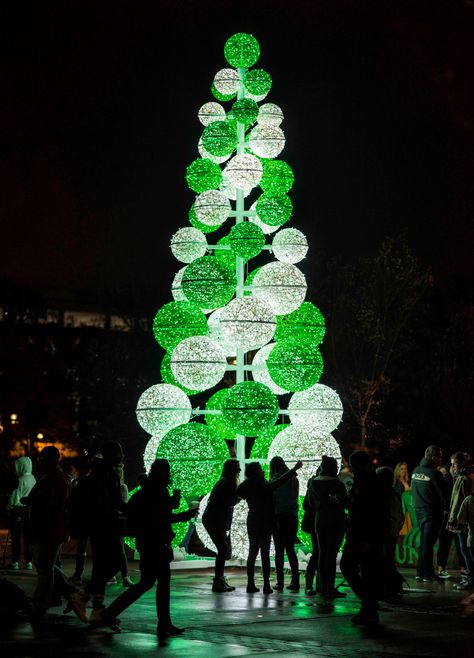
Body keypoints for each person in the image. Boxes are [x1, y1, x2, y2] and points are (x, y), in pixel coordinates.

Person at [100, 459, 199, 645]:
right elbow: (163, 518)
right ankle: (161, 623)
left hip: (146, 542)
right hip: (156, 543)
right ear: (165, 473)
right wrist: (186, 516)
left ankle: (113, 614)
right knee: (156, 584)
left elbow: (153, 513)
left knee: (148, 583)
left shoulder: (146, 490)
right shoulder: (158, 491)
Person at [23, 446, 85, 620]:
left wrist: (33, 502)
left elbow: (56, 506)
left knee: (45, 570)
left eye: (42, 458)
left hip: (50, 529)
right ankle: (74, 593)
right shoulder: (51, 477)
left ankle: (40, 605)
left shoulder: (57, 479)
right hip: (46, 529)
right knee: (46, 566)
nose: (39, 461)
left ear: (51, 459)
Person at [70, 441, 126, 623]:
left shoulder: (103, 472)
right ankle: (82, 596)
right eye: (118, 453)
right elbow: (103, 504)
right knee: (115, 562)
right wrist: (117, 513)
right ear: (109, 454)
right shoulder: (105, 474)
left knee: (101, 567)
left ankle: (97, 609)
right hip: (104, 526)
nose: (121, 456)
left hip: (100, 526)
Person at [236, 459, 302, 594]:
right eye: (260, 469)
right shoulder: (264, 485)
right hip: (266, 521)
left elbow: (238, 492)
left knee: (252, 552)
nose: (263, 470)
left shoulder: (248, 486)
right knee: (265, 553)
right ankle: (266, 585)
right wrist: (293, 469)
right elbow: (279, 483)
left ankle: (251, 583)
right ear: (257, 472)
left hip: (253, 520)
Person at [340, 450, 390, 626]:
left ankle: (368, 604)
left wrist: (367, 539)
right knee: (362, 571)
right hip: (360, 534)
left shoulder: (369, 483)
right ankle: (368, 606)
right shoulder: (365, 481)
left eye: (353, 466)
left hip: (363, 536)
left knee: (354, 567)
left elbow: (372, 512)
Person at [307, 455, 349, 598]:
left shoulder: (314, 483)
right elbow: (346, 503)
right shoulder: (338, 484)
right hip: (336, 520)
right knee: (331, 554)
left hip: (320, 520)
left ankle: (323, 586)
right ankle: (330, 586)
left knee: (322, 553)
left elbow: (311, 504)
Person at [202, 459, 240, 593]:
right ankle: (218, 580)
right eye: (237, 468)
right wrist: (239, 497)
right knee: (223, 549)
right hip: (214, 520)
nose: (239, 471)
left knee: (223, 549)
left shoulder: (224, 482)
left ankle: (220, 579)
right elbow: (229, 502)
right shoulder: (226, 483)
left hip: (215, 520)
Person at [411, 445, 447, 582]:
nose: (441, 459)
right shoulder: (435, 474)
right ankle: (428, 574)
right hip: (432, 512)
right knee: (428, 543)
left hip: (418, 510)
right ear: (433, 457)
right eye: (440, 456)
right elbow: (443, 494)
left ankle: (420, 572)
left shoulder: (416, 471)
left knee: (424, 542)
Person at [269, 456, 300, 591]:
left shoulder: (274, 479)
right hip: (292, 516)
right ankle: (295, 580)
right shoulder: (294, 479)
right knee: (291, 550)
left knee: (279, 550)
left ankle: (280, 581)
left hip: (279, 517)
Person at [447, 452, 474, 589]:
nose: (452, 467)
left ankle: (471, 578)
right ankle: (470, 576)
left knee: (465, 549)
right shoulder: (461, 476)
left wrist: (460, 520)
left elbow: (462, 501)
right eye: (451, 464)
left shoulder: (464, 478)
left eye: (455, 463)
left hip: (462, 520)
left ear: (462, 463)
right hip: (461, 519)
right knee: (464, 549)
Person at [376, 466, 405, 599]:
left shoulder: (382, 494)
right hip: (391, 532)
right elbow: (400, 516)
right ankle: (392, 587)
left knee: (384, 561)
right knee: (387, 560)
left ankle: (389, 587)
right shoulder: (393, 493)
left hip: (385, 532)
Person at [6, 456, 36, 569]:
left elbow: (14, 499)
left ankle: (15, 562)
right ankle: (29, 561)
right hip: (29, 512)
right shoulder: (33, 478)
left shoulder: (19, 480)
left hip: (17, 512)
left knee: (16, 539)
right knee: (28, 539)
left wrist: (8, 508)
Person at [301, 469, 319, 595]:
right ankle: (313, 585)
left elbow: (305, 505)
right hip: (317, 523)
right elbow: (306, 505)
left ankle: (312, 584)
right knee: (319, 552)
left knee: (318, 553)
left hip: (315, 524)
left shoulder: (313, 483)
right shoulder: (315, 484)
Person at [457, 490, 474, 595]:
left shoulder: (469, 500)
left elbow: (460, 518)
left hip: (473, 539)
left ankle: (472, 579)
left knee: (471, 560)